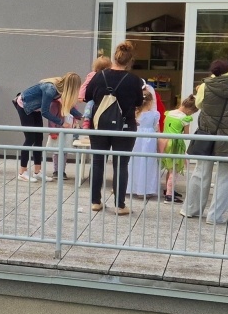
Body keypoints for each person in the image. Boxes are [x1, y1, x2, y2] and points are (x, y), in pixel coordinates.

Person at [182, 61, 228, 226]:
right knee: (225, 177)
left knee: (200, 172)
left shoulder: (205, 86)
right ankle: (215, 216)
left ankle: (190, 209)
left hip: (209, 133)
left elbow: (199, 105)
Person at [83, 46, 145, 216]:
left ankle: (95, 202)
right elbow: (139, 102)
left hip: (99, 125)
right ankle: (120, 205)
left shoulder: (99, 76)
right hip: (124, 126)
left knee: (97, 162)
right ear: (130, 61)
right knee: (121, 164)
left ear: (114, 58)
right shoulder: (134, 80)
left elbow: (87, 96)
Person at [14, 73, 84, 183]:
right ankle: (22, 172)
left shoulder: (61, 88)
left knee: (39, 138)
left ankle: (37, 172)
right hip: (24, 106)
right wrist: (62, 123)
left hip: (35, 109)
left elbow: (68, 106)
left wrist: (81, 117)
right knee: (30, 138)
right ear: (72, 86)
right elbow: (45, 112)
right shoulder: (50, 89)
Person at [125, 89, 161, 198]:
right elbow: (156, 128)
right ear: (150, 102)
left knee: (134, 162)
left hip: (137, 138)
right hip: (149, 139)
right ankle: (145, 189)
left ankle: (131, 187)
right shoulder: (155, 114)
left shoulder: (135, 113)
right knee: (147, 163)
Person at [160, 96, 195, 201]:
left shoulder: (169, 113)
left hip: (165, 142)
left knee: (169, 168)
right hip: (176, 144)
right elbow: (186, 135)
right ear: (190, 110)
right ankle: (169, 195)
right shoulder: (185, 118)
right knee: (174, 170)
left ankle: (168, 189)